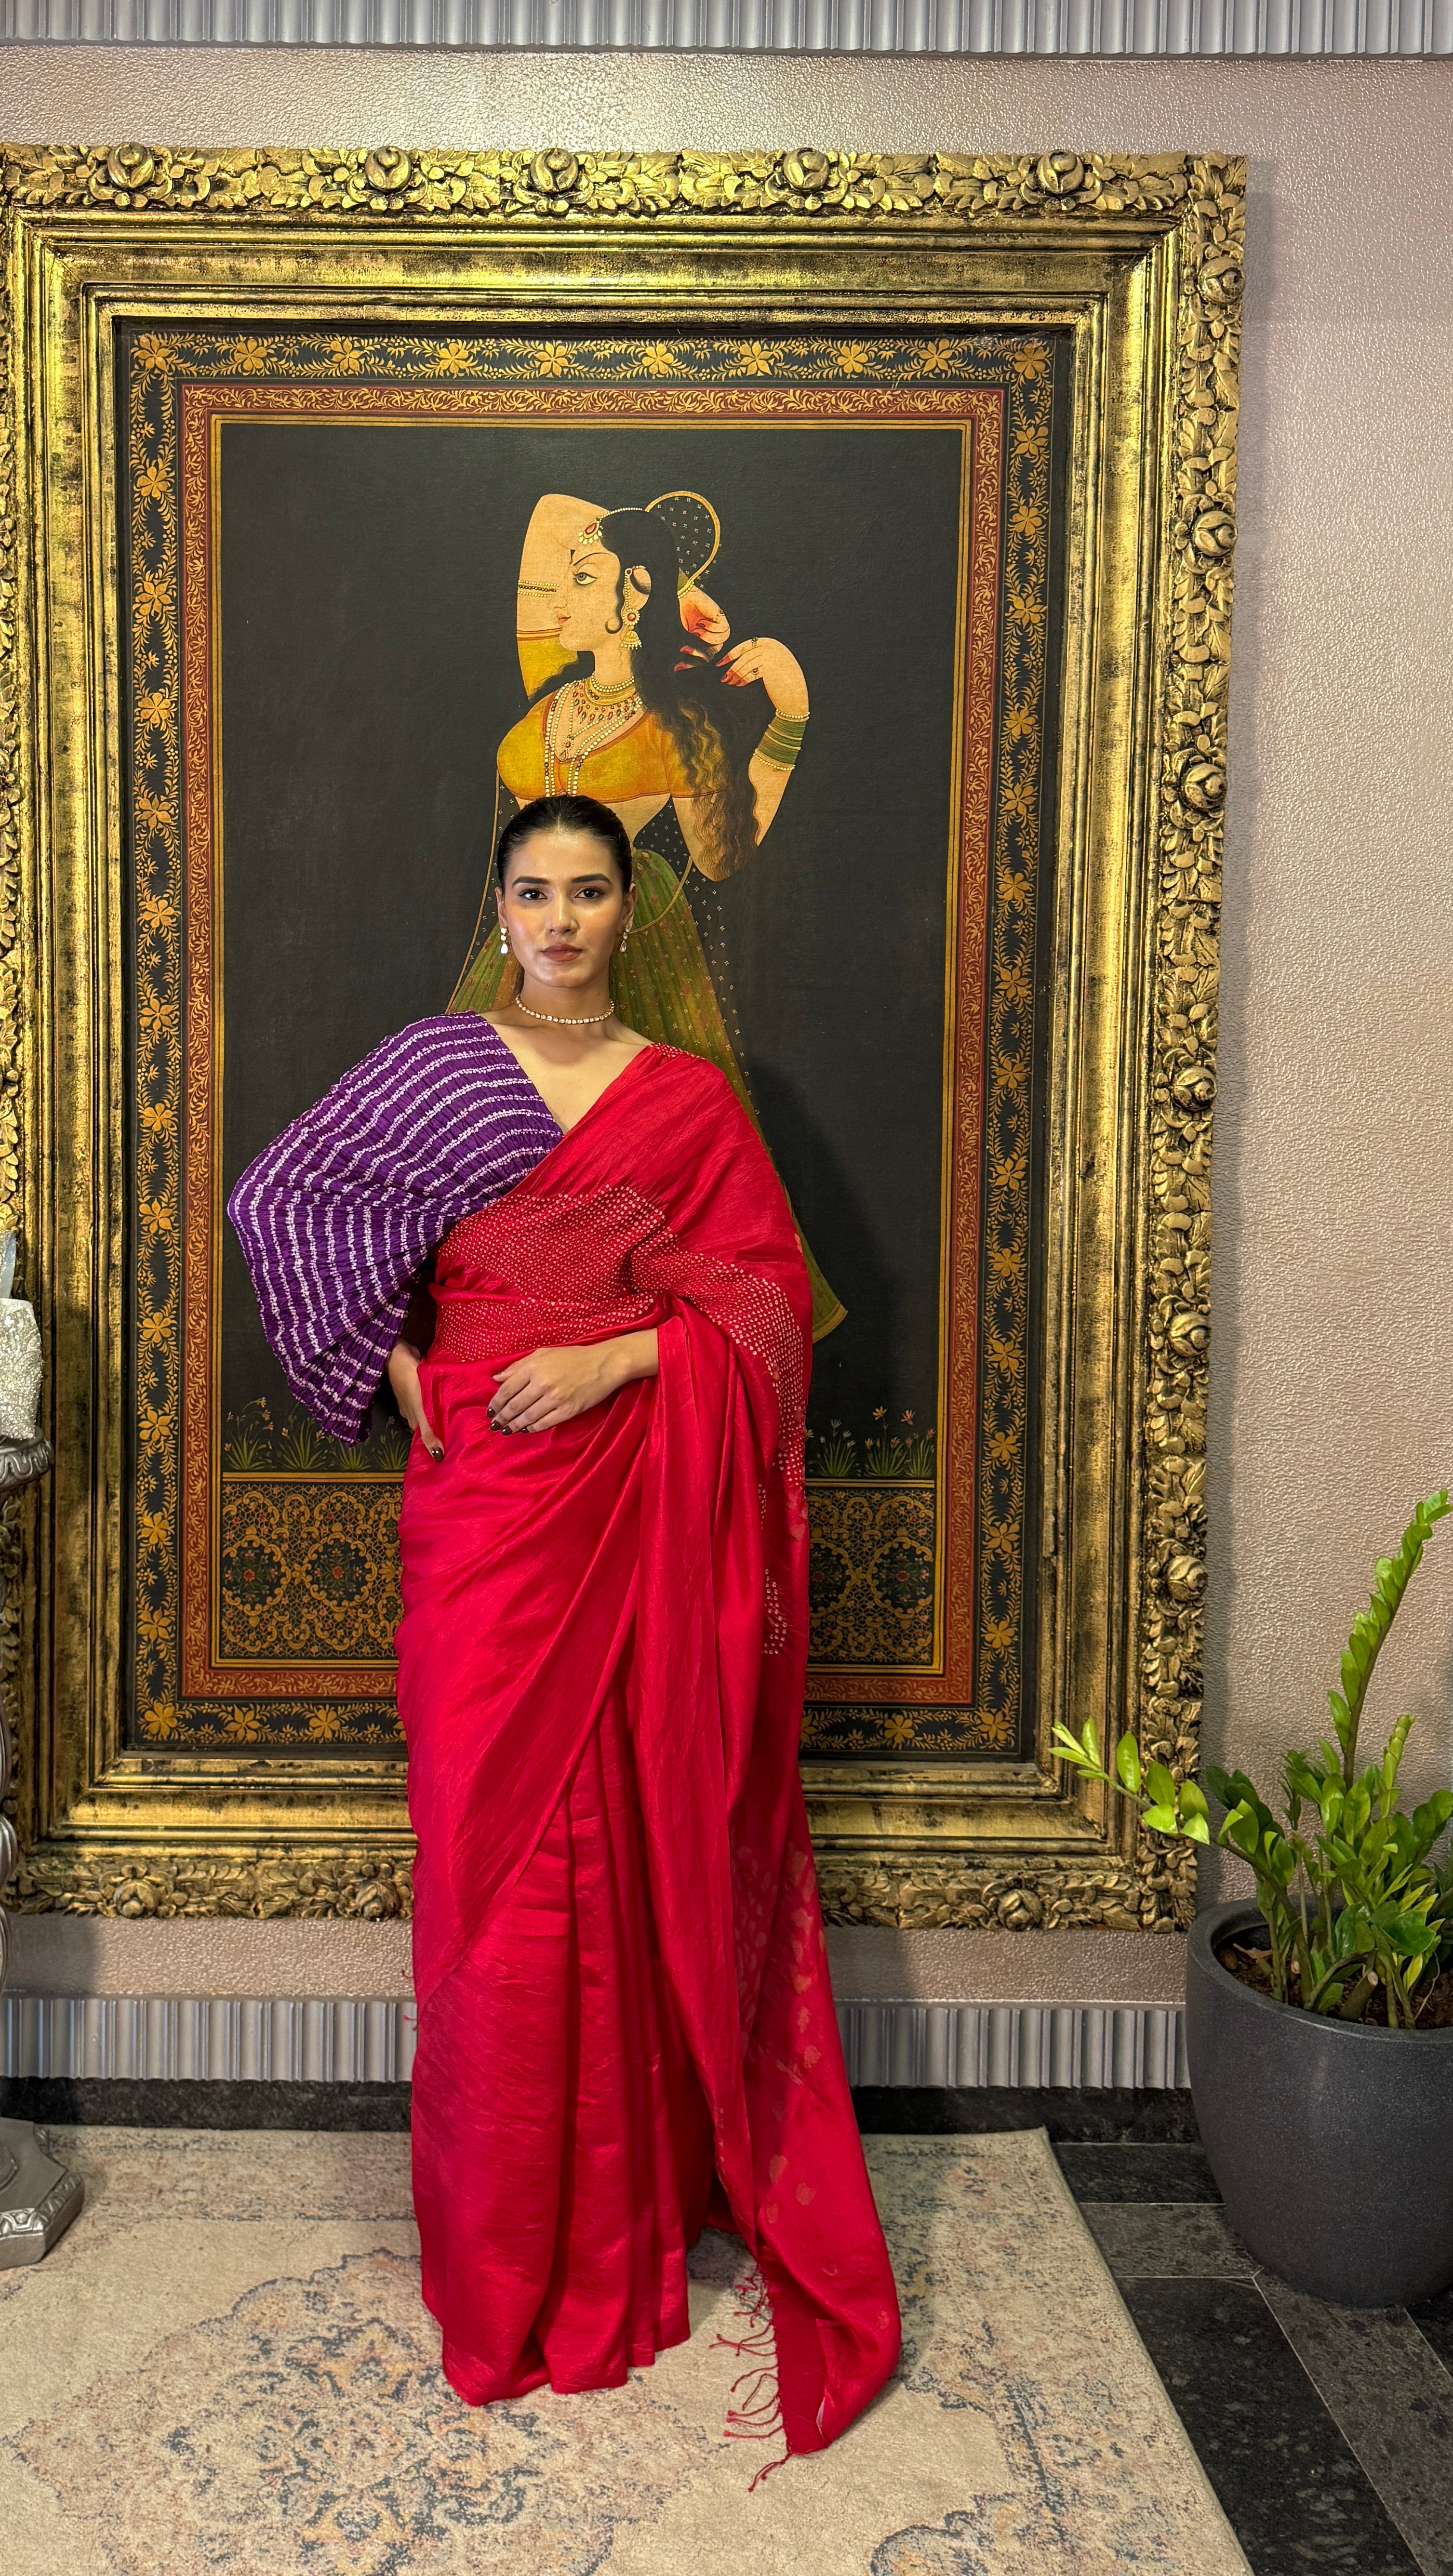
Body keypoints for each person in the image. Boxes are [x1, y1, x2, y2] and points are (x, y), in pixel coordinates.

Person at [228, 792, 900, 2462]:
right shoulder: (434, 1070)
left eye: (588, 891)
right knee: (492, 1865)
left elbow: (758, 1304)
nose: (559, 918)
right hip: (484, 1522)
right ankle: (496, 2263)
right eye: (532, 891)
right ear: (500, 907)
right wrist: (394, 1361)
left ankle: (622, 2242)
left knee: (633, 1841)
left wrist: (618, 1360)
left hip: (637, 1504)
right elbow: (280, 1205)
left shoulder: (687, 1101)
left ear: (629, 912)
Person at [449, 491, 844, 1338]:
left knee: (648, 1174)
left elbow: (720, 856)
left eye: (584, 580)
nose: (562, 602)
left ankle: (625, 1339)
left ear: (635, 594)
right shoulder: (543, 712)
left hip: (641, 943)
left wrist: (792, 716)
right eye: (561, 581)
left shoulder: (680, 721)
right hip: (522, 957)